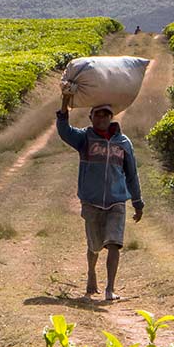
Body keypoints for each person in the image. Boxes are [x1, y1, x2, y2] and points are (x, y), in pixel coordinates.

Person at [57, 93, 145, 301]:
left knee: (114, 243)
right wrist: (64, 102)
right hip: (91, 201)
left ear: (111, 118)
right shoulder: (84, 139)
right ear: (91, 118)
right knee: (95, 245)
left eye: (106, 115)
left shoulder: (124, 143)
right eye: (98, 115)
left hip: (116, 201)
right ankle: (91, 273)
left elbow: (131, 174)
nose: (102, 119)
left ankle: (110, 289)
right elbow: (63, 130)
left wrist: (137, 201)